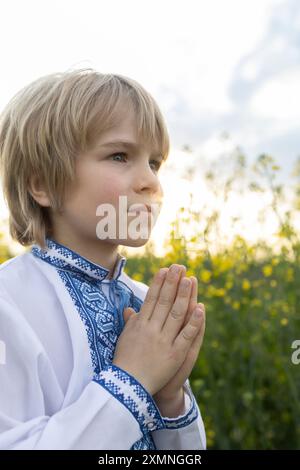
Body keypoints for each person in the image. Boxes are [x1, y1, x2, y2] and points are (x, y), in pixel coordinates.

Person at [0, 69, 206, 450]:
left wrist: (170, 400)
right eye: (119, 155)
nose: (151, 183)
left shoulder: (145, 300)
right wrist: (134, 377)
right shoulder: (7, 301)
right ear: (42, 183)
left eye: (155, 163)